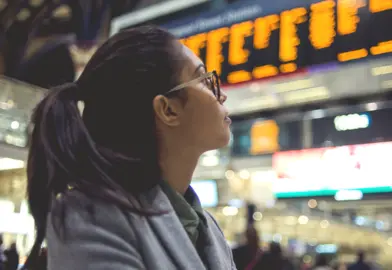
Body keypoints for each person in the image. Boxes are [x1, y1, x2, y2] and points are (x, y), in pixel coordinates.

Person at [23, 25, 234, 270]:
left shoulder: (206, 226)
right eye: (206, 81)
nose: (222, 96)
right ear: (168, 110)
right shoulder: (90, 217)